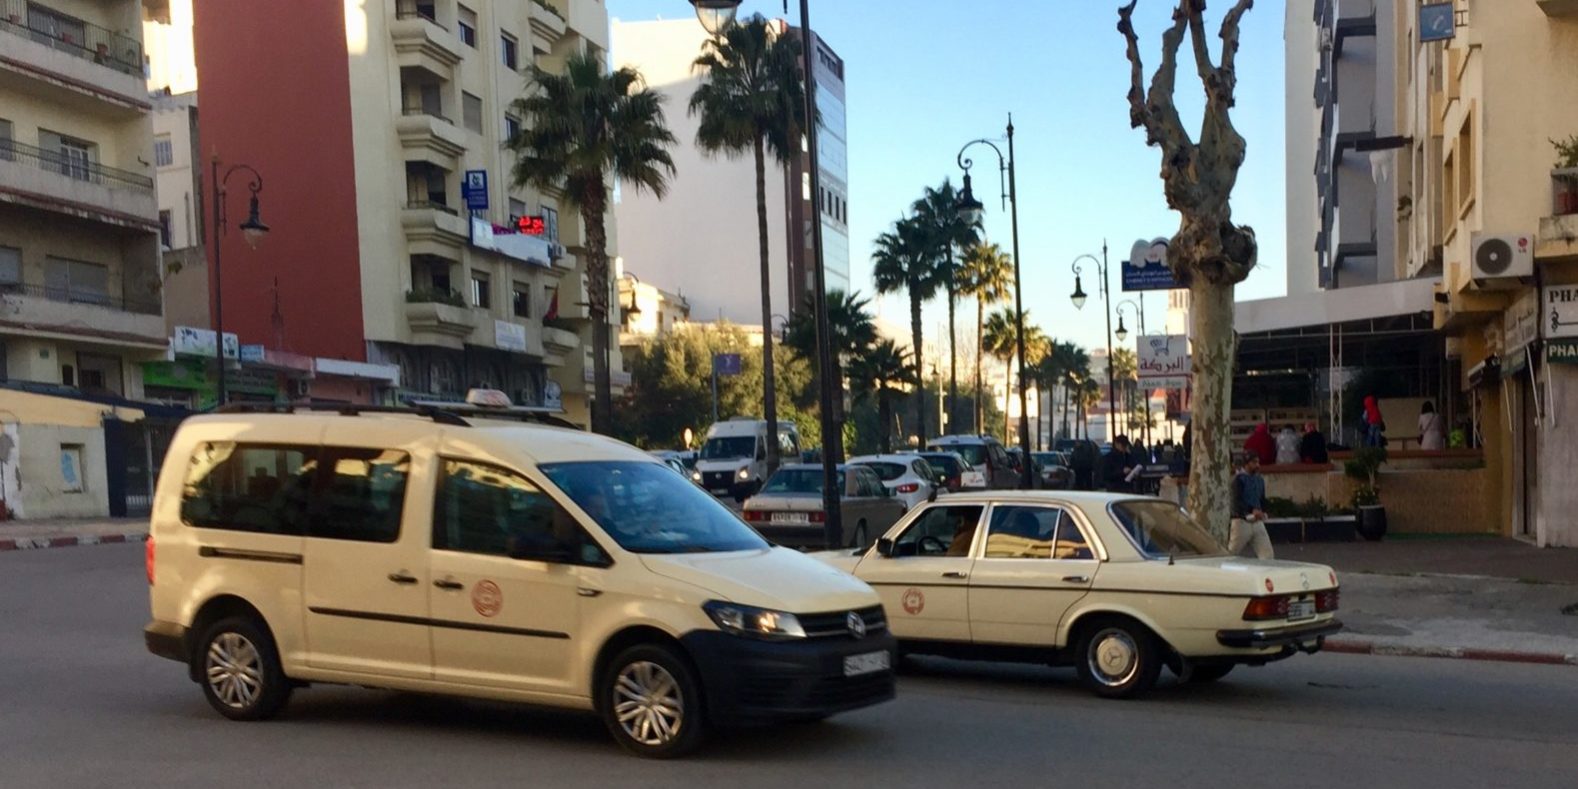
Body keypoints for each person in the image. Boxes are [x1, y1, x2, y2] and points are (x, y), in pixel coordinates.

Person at [1229, 454, 1274, 559]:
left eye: (1258, 462)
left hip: (1257, 521)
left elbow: (1262, 498)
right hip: (1242, 521)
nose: (1257, 465)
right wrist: (1250, 511)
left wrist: (1263, 511)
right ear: (1246, 464)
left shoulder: (1259, 480)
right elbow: (1237, 501)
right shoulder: (1238, 480)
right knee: (1232, 552)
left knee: (1267, 554)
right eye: (1254, 462)